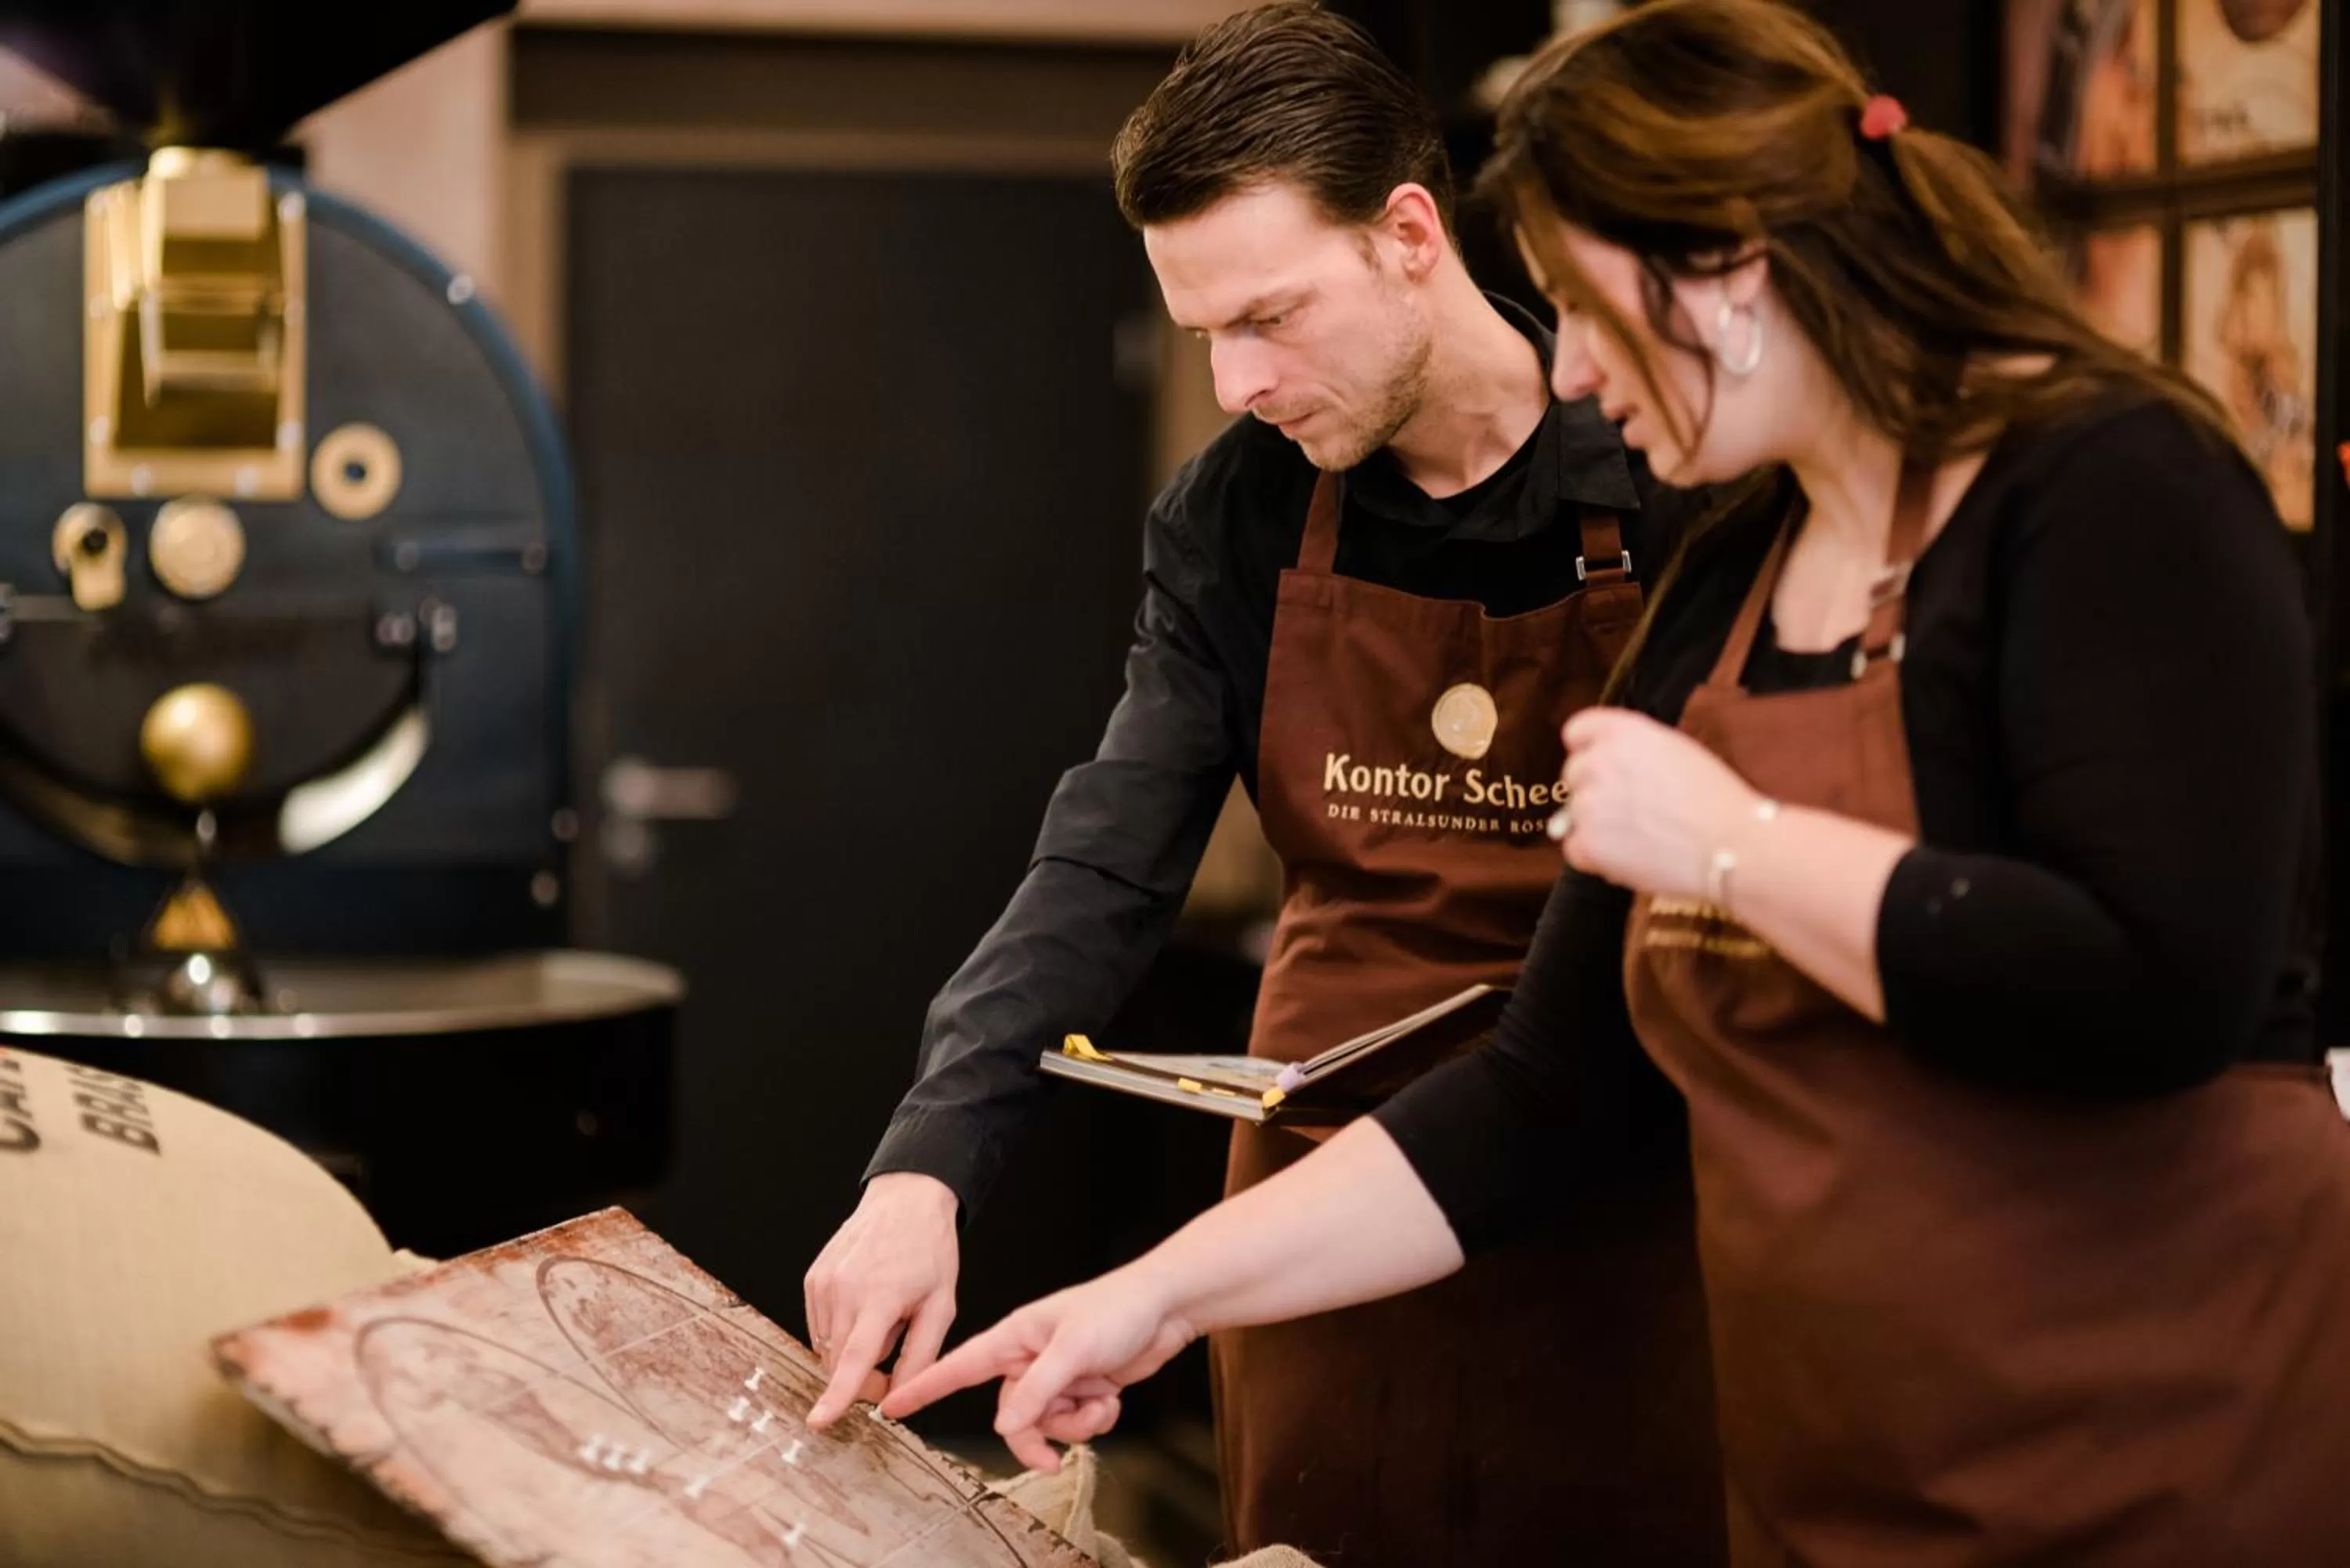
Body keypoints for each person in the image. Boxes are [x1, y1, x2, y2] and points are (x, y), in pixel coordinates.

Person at [881, 2, 2350, 1563]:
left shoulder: (2113, 488)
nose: (1571, 362)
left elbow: (2165, 981)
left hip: (2139, 1411)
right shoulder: (1733, 570)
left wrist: (1734, 847)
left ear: (1724, 270)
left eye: (1583, 304)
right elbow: (1542, 1086)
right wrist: (1144, 1289)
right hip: (1848, 1426)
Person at [802, 6, 1726, 1565]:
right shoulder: (1236, 516)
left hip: (1631, 1180)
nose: (1238, 381)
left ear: (1410, 236)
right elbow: (1106, 856)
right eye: (1204, 332)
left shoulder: (1667, 468)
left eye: (1274, 317)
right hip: (1309, 1220)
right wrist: (927, 1161)